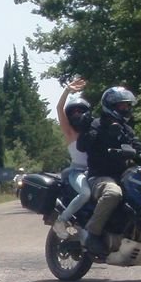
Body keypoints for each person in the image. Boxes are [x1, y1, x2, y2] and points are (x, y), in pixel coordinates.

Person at [76, 85, 141, 261]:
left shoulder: (126, 129)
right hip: (99, 177)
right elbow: (82, 146)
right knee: (113, 193)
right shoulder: (96, 124)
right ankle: (92, 234)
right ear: (111, 106)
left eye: (128, 106)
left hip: (124, 176)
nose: (126, 109)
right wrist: (86, 130)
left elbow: (139, 147)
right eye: (122, 106)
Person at [51, 78, 92, 239]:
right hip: (77, 172)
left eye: (80, 111)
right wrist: (67, 90)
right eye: (73, 112)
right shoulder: (69, 133)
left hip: (95, 171)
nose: (77, 114)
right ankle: (61, 220)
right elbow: (59, 108)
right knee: (85, 193)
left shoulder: (93, 132)